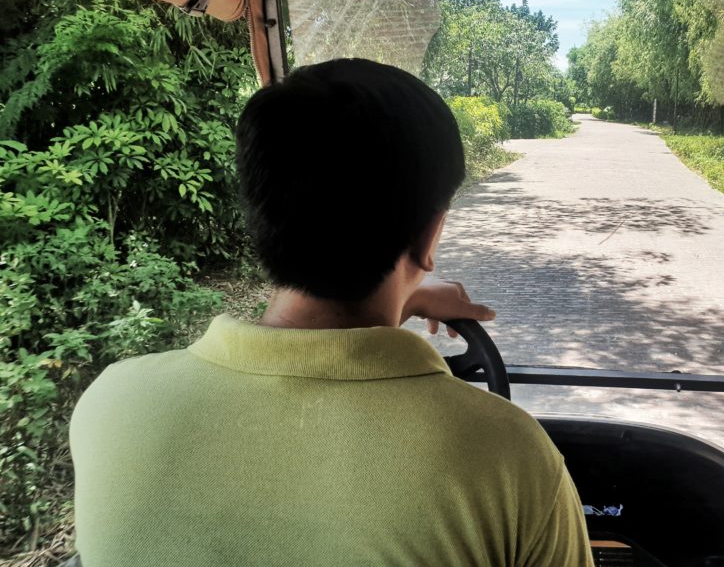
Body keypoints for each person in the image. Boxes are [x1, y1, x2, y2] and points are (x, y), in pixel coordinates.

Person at [70, 58, 594, 566]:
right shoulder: (508, 457)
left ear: (260, 214)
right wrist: (403, 293)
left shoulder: (110, 403)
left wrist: (405, 296)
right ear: (431, 233)